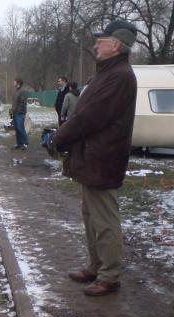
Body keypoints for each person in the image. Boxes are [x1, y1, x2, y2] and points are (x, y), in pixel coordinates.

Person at [50, 19, 138, 296]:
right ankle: (96, 265)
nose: (95, 46)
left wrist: (60, 137)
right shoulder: (107, 73)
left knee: (104, 219)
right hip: (93, 157)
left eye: (100, 42)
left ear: (116, 45)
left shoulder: (119, 76)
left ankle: (109, 275)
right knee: (91, 216)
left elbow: (89, 117)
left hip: (104, 157)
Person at [10, 77, 29, 150]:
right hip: (15, 113)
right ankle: (19, 143)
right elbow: (14, 103)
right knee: (17, 129)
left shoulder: (23, 91)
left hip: (20, 113)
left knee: (20, 128)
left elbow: (22, 103)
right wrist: (11, 112)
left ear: (18, 83)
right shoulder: (16, 91)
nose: (13, 83)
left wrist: (18, 112)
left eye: (14, 82)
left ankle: (25, 143)